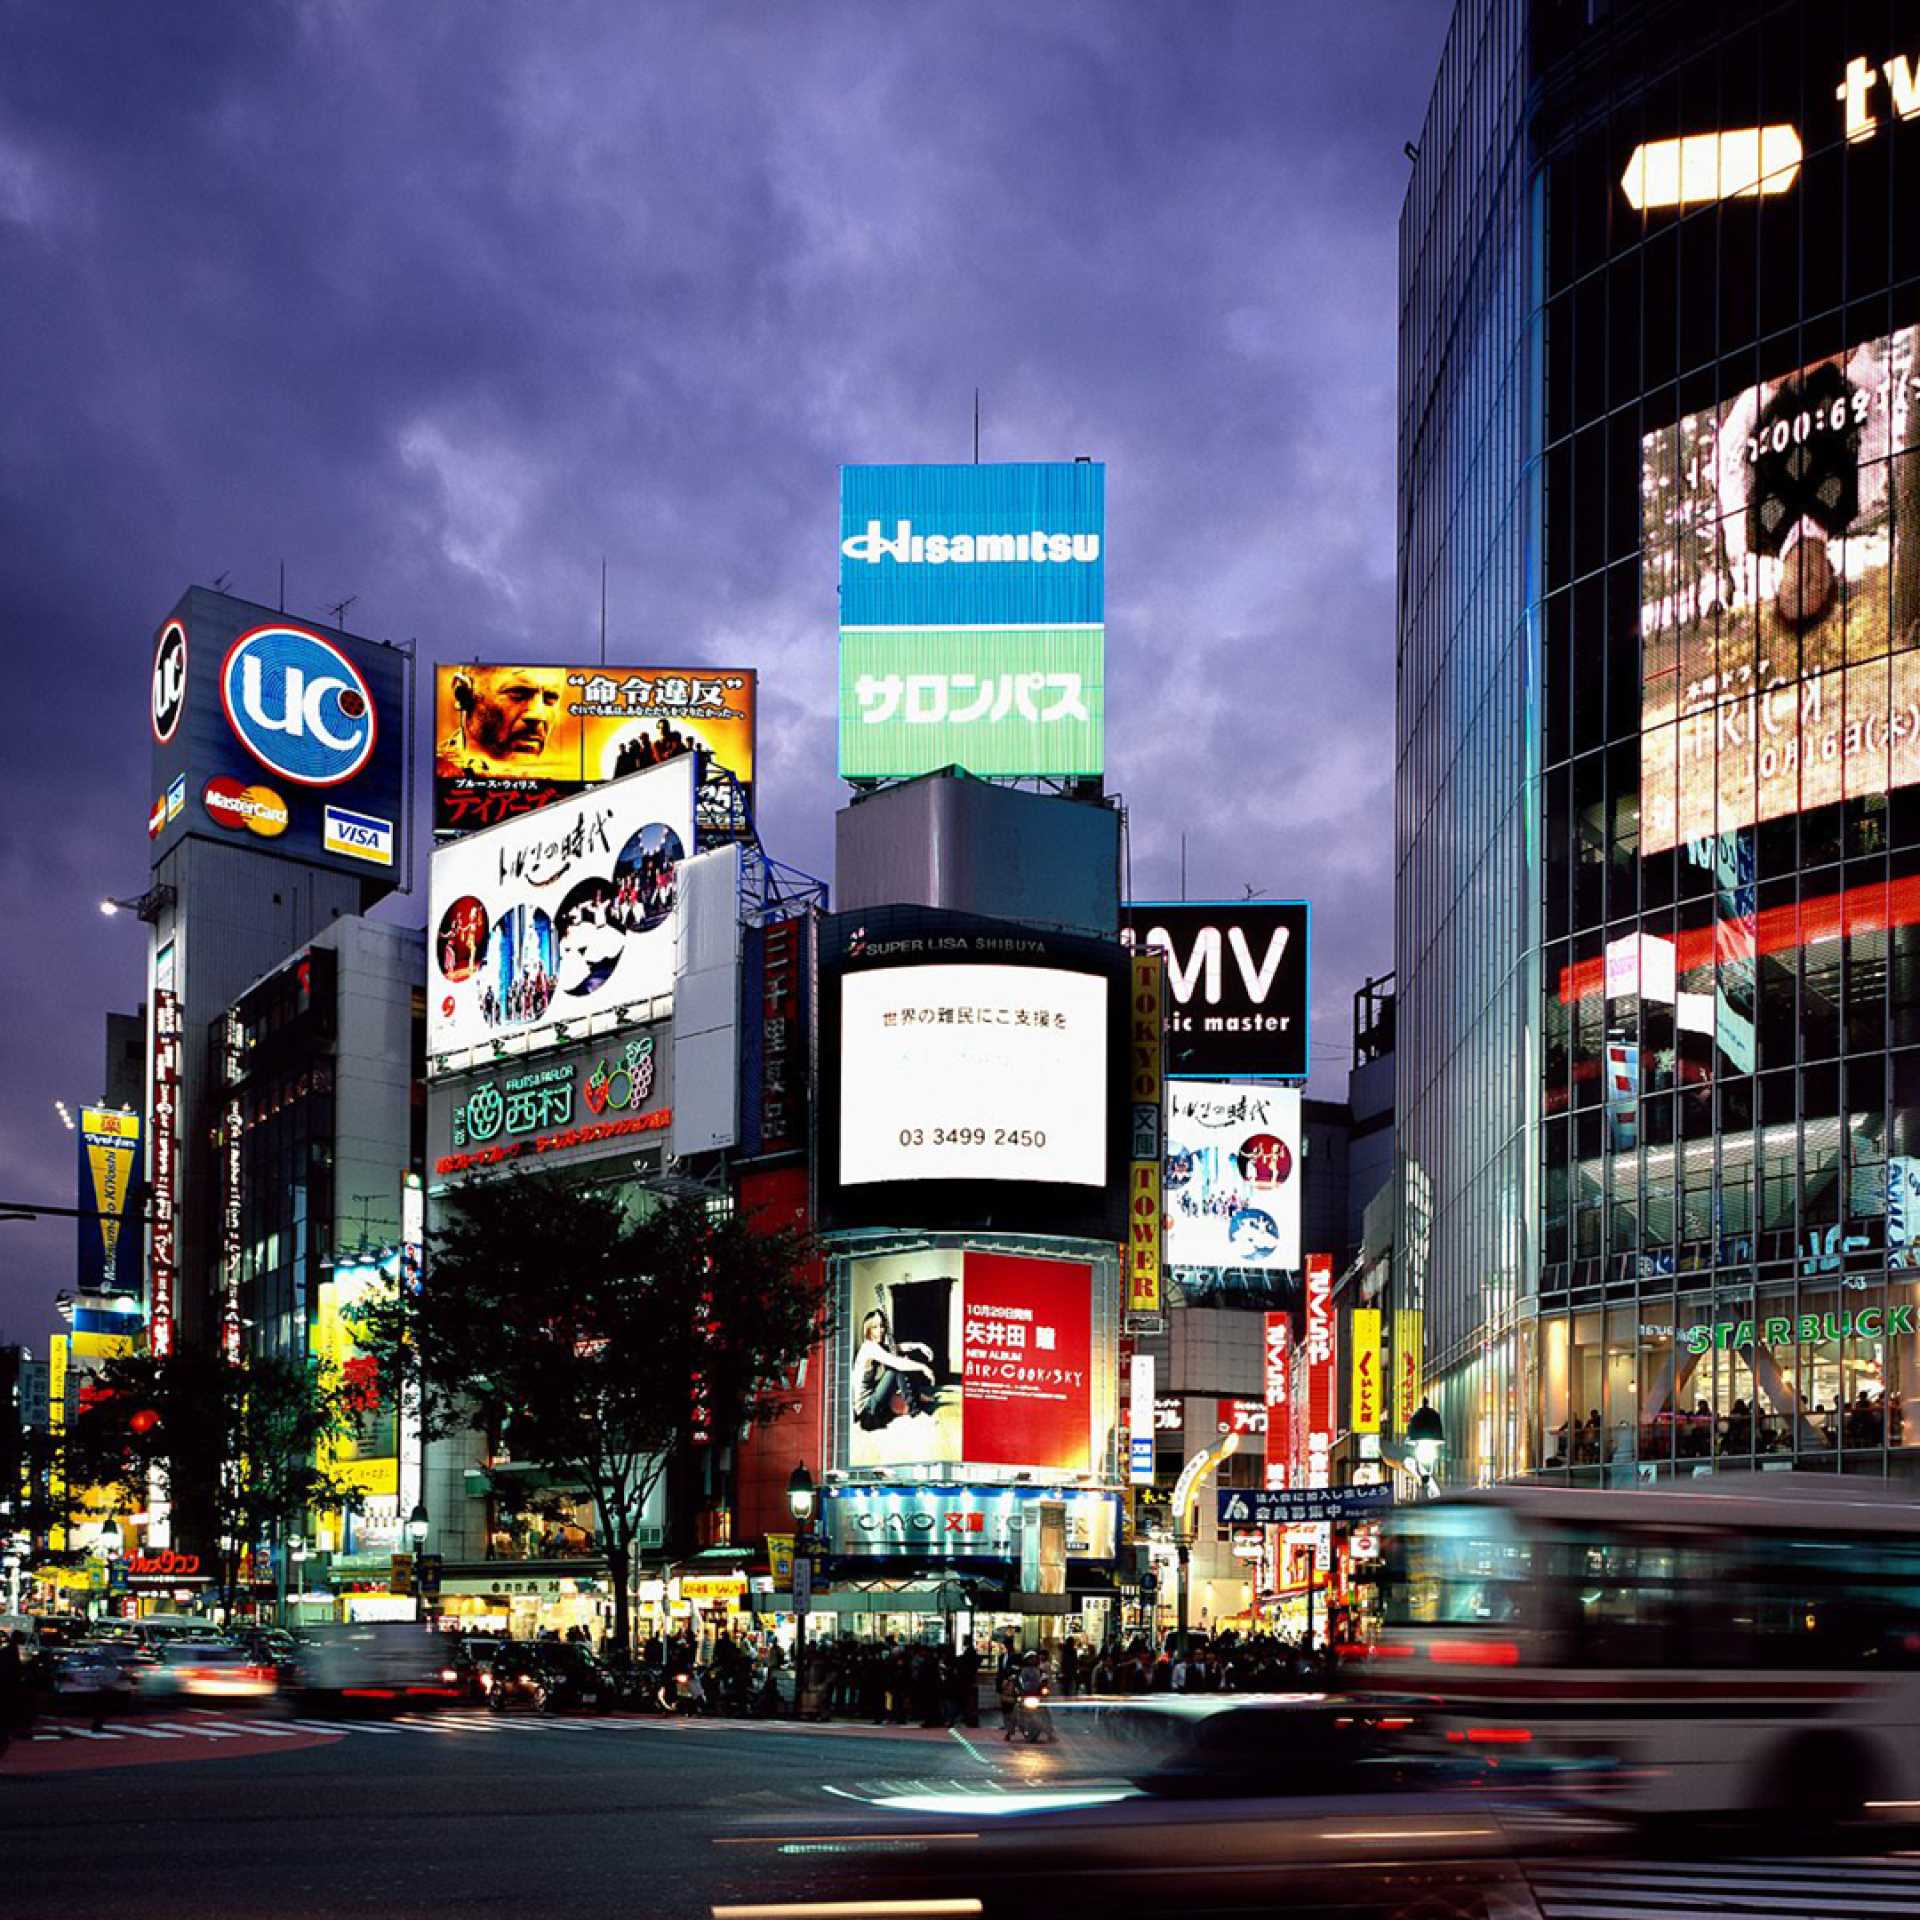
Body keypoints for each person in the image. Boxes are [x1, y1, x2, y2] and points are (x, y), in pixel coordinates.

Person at [436, 665, 568, 778]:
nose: (538, 715)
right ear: (462, 694)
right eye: (517, 694)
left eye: (550, 698)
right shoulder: (432, 771)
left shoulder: (566, 777)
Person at [851, 1307, 938, 1431]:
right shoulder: (869, 1348)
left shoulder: (876, 1346)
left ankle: (916, 1396)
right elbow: (897, 1363)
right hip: (867, 1411)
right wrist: (923, 1367)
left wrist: (919, 1345)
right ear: (868, 1329)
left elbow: (900, 1347)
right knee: (896, 1368)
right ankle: (916, 1413)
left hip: (874, 1400)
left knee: (902, 1361)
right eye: (875, 1327)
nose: (880, 1330)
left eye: (882, 1326)